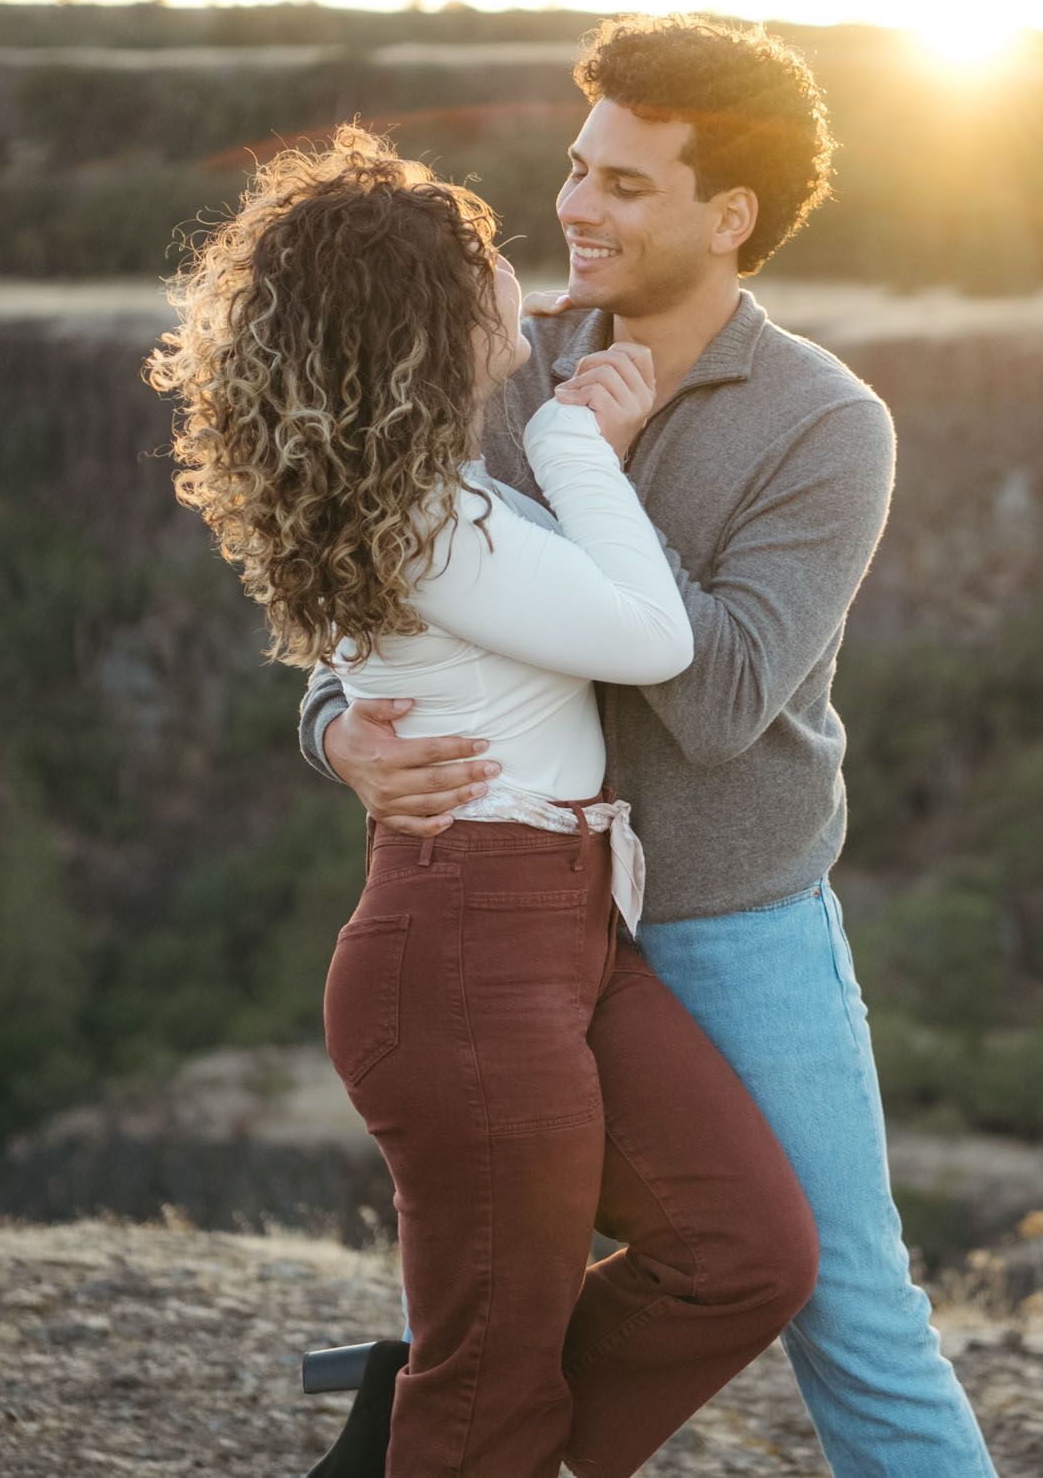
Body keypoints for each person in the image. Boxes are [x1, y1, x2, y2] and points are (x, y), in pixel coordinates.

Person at [298, 14, 1003, 1477]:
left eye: (625, 183)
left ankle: (438, 1430)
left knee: (841, 1295)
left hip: (730, 921)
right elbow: (365, 578)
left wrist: (589, 465)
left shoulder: (826, 425)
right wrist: (332, 734)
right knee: (517, 1288)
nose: (574, 207)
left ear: (726, 215)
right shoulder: (502, 357)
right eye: (576, 167)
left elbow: (723, 692)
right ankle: (454, 1425)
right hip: (517, 912)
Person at [145, 121, 818, 1478]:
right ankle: (454, 1421)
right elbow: (655, 641)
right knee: (492, 1388)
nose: (519, 275)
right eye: (485, 270)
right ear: (425, 321)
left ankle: (434, 1417)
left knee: (746, 1251)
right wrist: (580, 444)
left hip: (563, 934)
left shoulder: (421, 499)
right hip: (466, 955)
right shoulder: (427, 518)